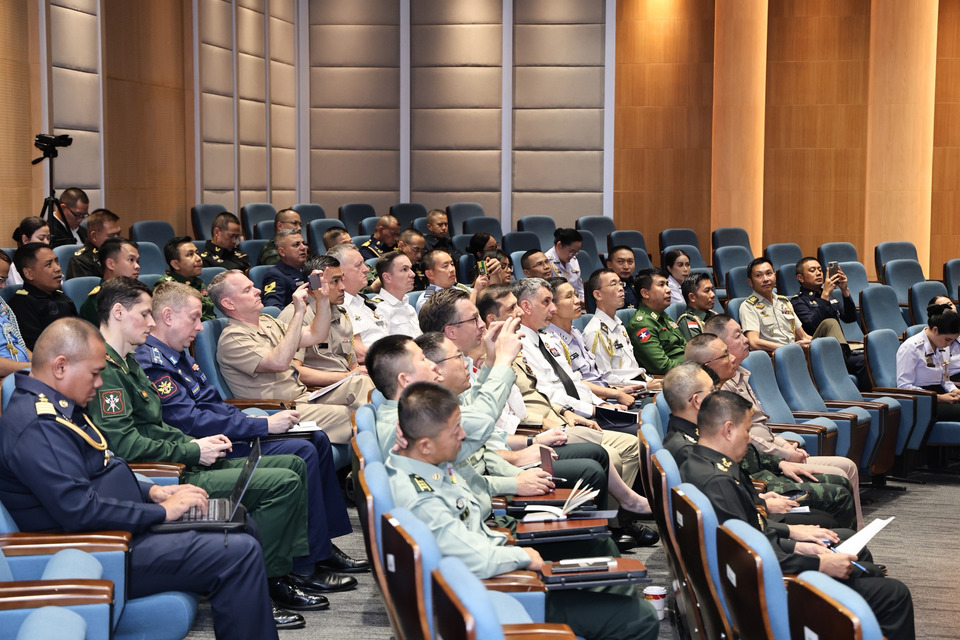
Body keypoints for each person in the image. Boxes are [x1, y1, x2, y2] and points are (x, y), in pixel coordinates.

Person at [0, 318, 281, 638]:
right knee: (237, 551)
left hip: (117, 524)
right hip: (99, 548)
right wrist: (161, 512)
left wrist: (153, 492)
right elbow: (80, 511)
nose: (98, 383)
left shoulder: (61, 406)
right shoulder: (37, 426)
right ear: (61, 366)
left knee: (239, 520)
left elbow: (102, 466)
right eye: (94, 373)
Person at [85, 277, 333, 622]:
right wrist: (190, 449)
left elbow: (159, 426)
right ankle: (266, 583)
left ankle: (285, 571)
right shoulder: (110, 369)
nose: (151, 322)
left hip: (179, 456)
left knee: (293, 465)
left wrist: (190, 444)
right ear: (118, 313)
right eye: (144, 314)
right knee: (284, 481)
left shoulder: (126, 361)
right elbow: (124, 444)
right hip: (162, 474)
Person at [385, 382, 660, 640]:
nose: (464, 435)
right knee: (640, 618)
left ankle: (605, 612)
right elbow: (475, 558)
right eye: (455, 429)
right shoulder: (423, 497)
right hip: (492, 595)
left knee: (602, 550)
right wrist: (522, 555)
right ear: (424, 444)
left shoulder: (422, 459)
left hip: (492, 562)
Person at [135, 280, 369, 580]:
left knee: (316, 439)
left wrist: (250, 423)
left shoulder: (178, 353)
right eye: (194, 318)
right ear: (168, 317)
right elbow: (191, 422)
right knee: (304, 448)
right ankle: (306, 561)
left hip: (224, 434)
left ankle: (322, 546)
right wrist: (259, 424)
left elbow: (213, 404)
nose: (200, 327)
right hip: (205, 447)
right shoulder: (153, 362)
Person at [680, 391, 914, 640]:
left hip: (760, 572)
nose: (748, 440)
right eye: (746, 431)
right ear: (728, 430)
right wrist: (819, 564)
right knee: (893, 593)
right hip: (768, 590)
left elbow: (752, 537)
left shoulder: (697, 464)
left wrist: (799, 546)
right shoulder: (720, 482)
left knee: (864, 568)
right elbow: (751, 557)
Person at [703, 314, 863, 528]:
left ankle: (857, 534)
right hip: (764, 463)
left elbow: (763, 426)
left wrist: (786, 446)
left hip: (773, 453)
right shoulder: (720, 392)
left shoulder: (741, 375)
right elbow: (748, 440)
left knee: (848, 468)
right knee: (841, 478)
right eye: (738, 335)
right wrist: (784, 455)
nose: (746, 339)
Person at [211, 269, 360, 443]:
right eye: (247, 290)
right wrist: (299, 313)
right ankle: (371, 453)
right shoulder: (233, 338)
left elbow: (316, 335)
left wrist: (322, 299)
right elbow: (279, 362)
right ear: (228, 303)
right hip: (279, 410)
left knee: (361, 383)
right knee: (350, 415)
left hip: (303, 397)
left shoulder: (267, 321)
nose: (257, 291)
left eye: (253, 286)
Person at [514, 278, 639, 431]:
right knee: (640, 430)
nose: (553, 308)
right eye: (546, 302)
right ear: (526, 307)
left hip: (589, 409)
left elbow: (574, 381)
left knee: (642, 423)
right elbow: (547, 394)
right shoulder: (519, 347)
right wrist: (594, 409)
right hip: (566, 419)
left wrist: (601, 404)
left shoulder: (547, 339)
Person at [276, 255, 375, 399]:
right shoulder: (297, 315)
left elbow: (352, 365)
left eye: (342, 280)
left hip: (347, 384)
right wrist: (347, 376)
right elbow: (294, 371)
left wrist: (361, 372)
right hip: (316, 391)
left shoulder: (341, 315)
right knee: (364, 386)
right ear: (314, 285)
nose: (343, 287)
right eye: (335, 281)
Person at [545, 277, 647, 406]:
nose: (577, 301)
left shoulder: (575, 332)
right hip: (587, 403)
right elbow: (573, 383)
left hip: (604, 393)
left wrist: (617, 390)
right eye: (569, 296)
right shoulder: (550, 340)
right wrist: (614, 394)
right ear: (552, 305)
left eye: (576, 295)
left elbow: (595, 376)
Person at [791, 256, 867, 387]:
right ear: (800, 278)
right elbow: (813, 325)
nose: (818, 273)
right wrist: (825, 295)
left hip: (839, 350)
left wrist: (844, 290)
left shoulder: (830, 295)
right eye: (812, 270)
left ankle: (866, 394)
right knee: (862, 360)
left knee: (869, 358)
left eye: (820, 270)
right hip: (819, 352)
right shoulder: (798, 301)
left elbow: (850, 318)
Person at [583, 268, 656, 385]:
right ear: (598, 294)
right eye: (613, 284)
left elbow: (632, 368)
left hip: (640, 383)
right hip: (624, 390)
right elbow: (604, 379)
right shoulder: (595, 332)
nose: (621, 288)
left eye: (621, 283)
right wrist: (645, 385)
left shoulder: (618, 324)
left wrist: (650, 381)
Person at [897, 303, 960, 420]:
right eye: (947, 340)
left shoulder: (943, 346)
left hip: (940, 394)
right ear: (935, 330)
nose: (949, 344)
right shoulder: (911, 347)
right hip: (921, 400)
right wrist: (939, 398)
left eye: (952, 341)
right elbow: (904, 386)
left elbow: (945, 378)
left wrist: (955, 390)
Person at [8, 243, 77, 350]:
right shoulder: (21, 304)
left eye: (57, 261)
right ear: (28, 273)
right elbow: (36, 347)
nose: (58, 268)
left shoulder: (62, 297)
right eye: (48, 264)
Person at [328, 243, 388, 358]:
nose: (366, 269)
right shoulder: (338, 307)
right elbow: (357, 350)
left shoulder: (364, 301)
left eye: (363, 263)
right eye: (358, 265)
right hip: (377, 361)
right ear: (340, 272)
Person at [626, 268, 686, 374]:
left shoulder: (664, 316)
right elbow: (662, 366)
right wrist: (693, 366)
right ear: (645, 293)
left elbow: (685, 347)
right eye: (661, 285)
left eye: (667, 284)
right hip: (674, 376)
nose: (668, 289)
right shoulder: (641, 324)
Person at [79, 237, 141, 324]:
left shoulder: (139, 293)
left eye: (137, 261)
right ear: (111, 264)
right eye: (131, 260)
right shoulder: (96, 302)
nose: (137, 266)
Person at [155, 236, 215, 320]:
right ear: (175, 264)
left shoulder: (197, 282)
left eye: (197, 253)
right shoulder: (166, 286)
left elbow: (209, 311)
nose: (198, 258)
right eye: (190, 254)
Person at [371, 250, 421, 338]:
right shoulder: (377, 309)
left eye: (410, 269)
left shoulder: (408, 306)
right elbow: (381, 345)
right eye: (404, 269)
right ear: (387, 277)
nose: (412, 274)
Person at [64, 209, 121, 279]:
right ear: (94, 236)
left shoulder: (120, 253)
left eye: (118, 234)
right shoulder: (81, 261)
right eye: (111, 236)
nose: (117, 239)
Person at [415, 249, 474, 313]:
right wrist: (476, 291)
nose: (452, 269)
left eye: (452, 264)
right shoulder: (427, 300)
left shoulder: (459, 289)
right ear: (430, 274)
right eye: (445, 266)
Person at [0, 251, 30, 375]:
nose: (3, 286)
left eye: (5, 280)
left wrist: (41, 362)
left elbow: (19, 344)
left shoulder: (2, 305)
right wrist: (33, 367)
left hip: (19, 371)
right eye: (0, 280)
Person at [262, 229, 308, 309]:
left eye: (303, 243)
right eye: (296, 245)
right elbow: (273, 308)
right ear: (282, 252)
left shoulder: (309, 269)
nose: (303, 247)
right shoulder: (275, 276)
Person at [7, 216, 50, 286]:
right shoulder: (16, 267)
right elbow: (20, 287)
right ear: (25, 240)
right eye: (41, 238)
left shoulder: (52, 260)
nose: (47, 242)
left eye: (48, 238)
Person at [675, 272, 717, 340]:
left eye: (712, 290)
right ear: (692, 297)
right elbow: (700, 346)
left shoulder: (712, 315)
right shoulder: (688, 321)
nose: (713, 294)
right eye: (707, 291)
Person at [545, 228, 584, 301]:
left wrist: (584, 302)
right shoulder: (546, 262)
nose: (572, 255)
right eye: (571, 251)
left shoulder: (573, 260)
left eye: (576, 252)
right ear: (559, 245)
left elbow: (579, 287)